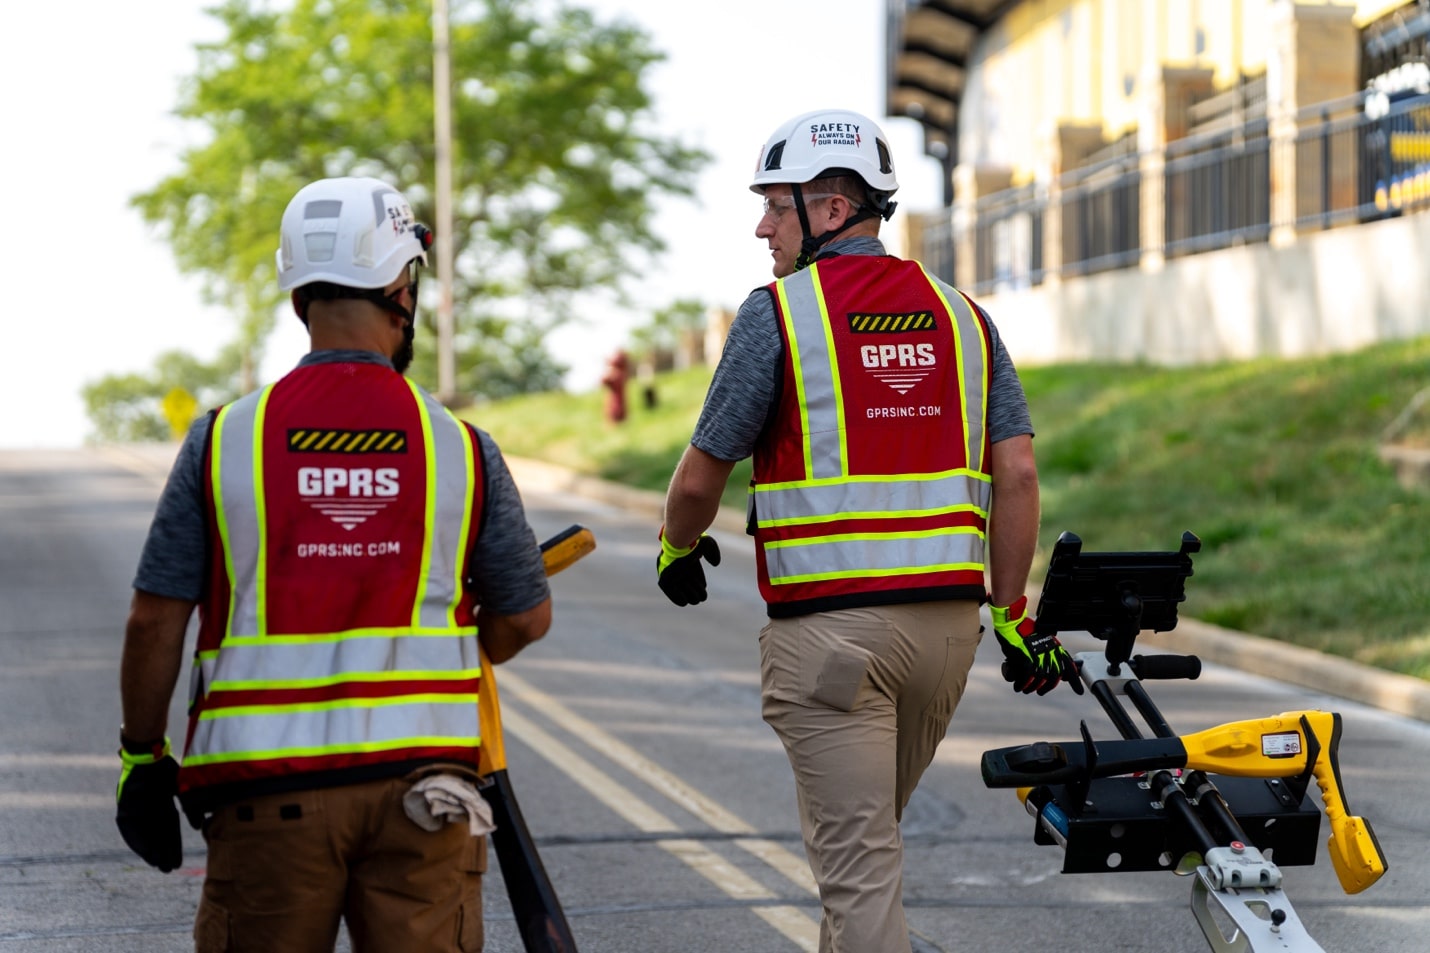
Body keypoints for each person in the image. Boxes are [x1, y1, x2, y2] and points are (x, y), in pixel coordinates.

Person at [655, 109, 1081, 953]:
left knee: (858, 876)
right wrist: (1010, 614)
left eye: (776, 206)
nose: (761, 225)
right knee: (864, 857)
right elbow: (1020, 475)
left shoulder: (779, 313)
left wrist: (675, 547)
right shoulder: (964, 317)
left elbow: (703, 470)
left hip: (833, 648)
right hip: (947, 645)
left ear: (832, 208)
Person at [116, 175, 553, 953]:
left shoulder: (223, 441)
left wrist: (143, 758)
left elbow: (156, 617)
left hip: (265, 795)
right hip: (429, 794)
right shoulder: (458, 445)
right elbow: (523, 614)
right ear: (400, 286)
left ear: (297, 296)